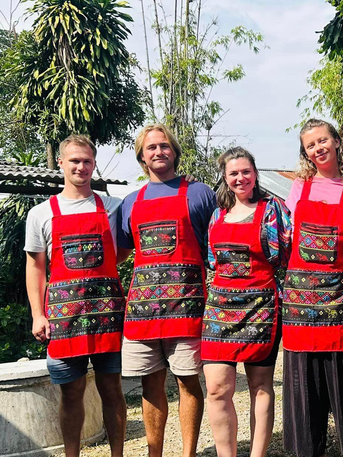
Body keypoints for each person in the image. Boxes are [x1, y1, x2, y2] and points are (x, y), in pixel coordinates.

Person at [116, 123, 217, 457]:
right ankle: (154, 453)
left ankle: (188, 453)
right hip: (143, 313)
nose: (158, 152)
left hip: (187, 308)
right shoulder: (131, 202)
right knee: (149, 383)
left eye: (164, 146)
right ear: (142, 157)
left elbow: (216, 244)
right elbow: (118, 252)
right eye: (151, 148)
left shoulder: (200, 193)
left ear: (174, 151)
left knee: (188, 381)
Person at [25, 135, 126, 457]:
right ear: (61, 163)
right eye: (74, 161)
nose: (81, 167)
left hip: (108, 315)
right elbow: (36, 268)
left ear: (94, 165)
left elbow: (122, 250)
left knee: (111, 388)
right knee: (71, 391)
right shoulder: (41, 213)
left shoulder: (113, 208)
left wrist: (99, 272)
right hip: (64, 318)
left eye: (86, 161)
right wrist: (38, 314)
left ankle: (118, 454)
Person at [282, 119, 343, 457]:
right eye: (310, 145)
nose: (318, 148)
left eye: (323, 140)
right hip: (301, 307)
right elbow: (289, 235)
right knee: (305, 389)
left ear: (335, 142)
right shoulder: (299, 188)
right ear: (305, 152)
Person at [201, 147, 292, 457]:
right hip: (220, 308)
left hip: (261, 306)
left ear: (255, 174)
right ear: (225, 179)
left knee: (261, 386)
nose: (240, 178)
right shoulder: (216, 216)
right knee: (216, 390)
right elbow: (212, 260)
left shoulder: (272, 210)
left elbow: (285, 254)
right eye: (233, 173)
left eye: (245, 171)